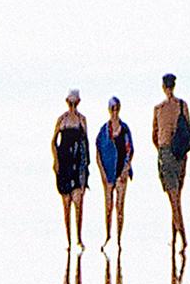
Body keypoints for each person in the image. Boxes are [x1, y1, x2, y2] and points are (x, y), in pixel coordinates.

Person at [152, 73, 190, 252]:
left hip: (168, 153)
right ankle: (175, 237)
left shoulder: (159, 108)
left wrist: (163, 153)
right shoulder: (181, 106)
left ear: (164, 87)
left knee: (174, 198)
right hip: (179, 154)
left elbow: (154, 136)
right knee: (176, 197)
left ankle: (183, 238)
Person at [95, 96, 135, 250]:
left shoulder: (124, 129)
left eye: (117, 108)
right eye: (112, 109)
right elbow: (98, 152)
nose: (115, 112)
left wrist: (126, 168)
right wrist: (103, 174)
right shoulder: (104, 131)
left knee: (120, 207)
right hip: (108, 172)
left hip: (121, 172)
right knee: (108, 206)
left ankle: (119, 239)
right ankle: (108, 236)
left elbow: (130, 150)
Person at [52, 90, 90, 250]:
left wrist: (85, 168)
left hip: (77, 165)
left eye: (75, 103)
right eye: (70, 103)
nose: (72, 106)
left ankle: (79, 238)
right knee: (66, 204)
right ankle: (68, 240)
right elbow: (53, 141)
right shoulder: (62, 119)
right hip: (64, 163)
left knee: (78, 203)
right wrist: (55, 160)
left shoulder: (82, 120)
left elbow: (85, 144)